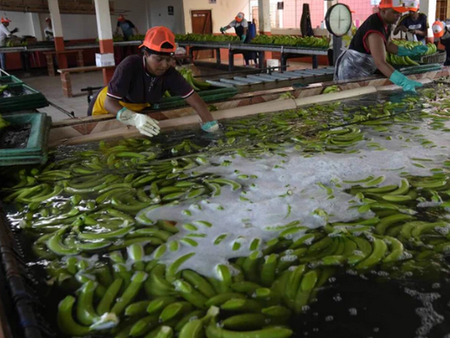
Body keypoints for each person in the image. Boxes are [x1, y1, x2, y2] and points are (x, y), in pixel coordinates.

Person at [87, 26, 219, 137]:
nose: (164, 65)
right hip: (106, 107)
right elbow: (109, 103)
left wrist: (210, 126)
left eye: (168, 59)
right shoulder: (130, 65)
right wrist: (134, 118)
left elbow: (196, 101)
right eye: (159, 59)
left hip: (136, 108)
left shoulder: (170, 74)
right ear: (146, 54)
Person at [334, 0, 427, 92]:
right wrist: (403, 81)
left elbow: (388, 44)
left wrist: (408, 51)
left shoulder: (386, 23)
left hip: (364, 67)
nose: (398, 16)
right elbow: (380, 63)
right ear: (383, 11)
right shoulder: (375, 28)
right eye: (395, 12)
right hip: (353, 70)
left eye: (400, 13)